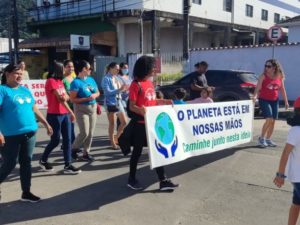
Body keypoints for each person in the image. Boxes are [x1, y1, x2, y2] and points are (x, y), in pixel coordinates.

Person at [0, 64, 53, 203]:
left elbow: (34, 108)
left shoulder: (24, 90)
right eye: (16, 73)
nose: (20, 76)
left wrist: (46, 123)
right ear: (7, 74)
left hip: (30, 133)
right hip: (10, 135)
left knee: (26, 163)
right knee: (10, 163)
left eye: (21, 74)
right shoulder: (2, 90)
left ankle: (26, 192)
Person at [127, 55, 178, 191]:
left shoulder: (149, 83)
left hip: (152, 124)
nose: (154, 69)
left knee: (156, 151)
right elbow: (132, 106)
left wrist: (165, 101)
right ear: (145, 68)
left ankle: (163, 180)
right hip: (140, 124)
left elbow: (152, 102)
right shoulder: (135, 85)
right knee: (136, 153)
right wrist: (142, 111)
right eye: (152, 67)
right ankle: (131, 179)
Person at [39, 61, 81, 174]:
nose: (65, 70)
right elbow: (62, 99)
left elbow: (66, 97)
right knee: (55, 140)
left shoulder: (60, 82)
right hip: (54, 115)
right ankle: (43, 159)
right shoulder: (51, 81)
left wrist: (69, 111)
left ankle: (68, 165)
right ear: (57, 69)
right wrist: (68, 106)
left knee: (67, 140)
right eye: (62, 68)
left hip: (64, 114)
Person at [273, 97, 300, 225]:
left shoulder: (295, 130)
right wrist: (280, 174)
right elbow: (285, 153)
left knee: (296, 203)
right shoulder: (296, 131)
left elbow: (285, 153)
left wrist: (280, 174)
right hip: (298, 177)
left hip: (297, 178)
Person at [253, 59, 289, 148]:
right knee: (269, 119)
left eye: (268, 66)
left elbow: (282, 90)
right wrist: (255, 96)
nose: (266, 68)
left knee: (273, 121)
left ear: (274, 68)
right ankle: (261, 138)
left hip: (275, 100)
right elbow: (257, 88)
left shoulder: (279, 76)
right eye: (265, 66)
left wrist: (286, 102)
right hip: (264, 100)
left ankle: (268, 139)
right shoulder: (263, 76)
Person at [70, 60, 100, 161]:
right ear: (83, 69)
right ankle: (74, 148)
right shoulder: (75, 82)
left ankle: (86, 153)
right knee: (84, 133)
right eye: (89, 68)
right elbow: (73, 99)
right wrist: (86, 99)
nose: (91, 70)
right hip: (81, 109)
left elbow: (98, 92)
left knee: (91, 133)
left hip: (93, 108)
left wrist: (94, 95)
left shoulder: (91, 80)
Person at [101, 62, 128, 150]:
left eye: (118, 69)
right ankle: (113, 143)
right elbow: (107, 93)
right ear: (110, 68)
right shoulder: (106, 78)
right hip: (110, 102)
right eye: (116, 68)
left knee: (124, 122)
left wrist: (124, 89)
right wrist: (119, 90)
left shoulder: (116, 78)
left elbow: (119, 90)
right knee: (112, 123)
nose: (118, 70)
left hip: (118, 101)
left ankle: (116, 138)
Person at [63, 59, 76, 144]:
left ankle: (68, 144)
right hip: (66, 107)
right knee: (69, 126)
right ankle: (70, 144)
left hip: (74, 105)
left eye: (72, 66)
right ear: (64, 68)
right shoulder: (62, 79)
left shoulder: (74, 78)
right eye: (69, 66)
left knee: (72, 125)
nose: (71, 68)